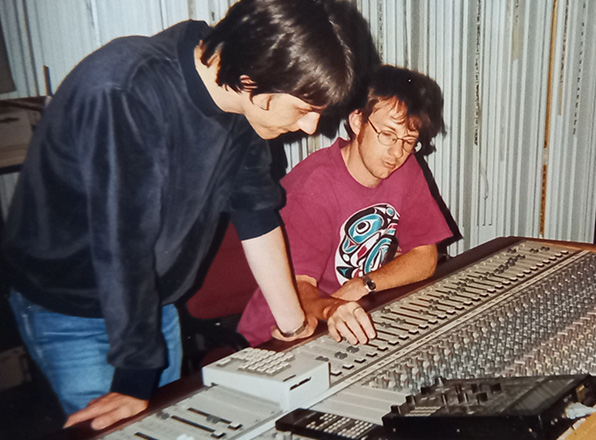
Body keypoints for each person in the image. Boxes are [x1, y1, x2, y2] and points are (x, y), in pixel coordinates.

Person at [0, 0, 375, 431]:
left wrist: (293, 327)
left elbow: (256, 213)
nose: (311, 128)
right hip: (72, 306)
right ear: (253, 82)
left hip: (150, 302)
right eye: (305, 109)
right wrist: (135, 376)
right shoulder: (124, 92)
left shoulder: (237, 94)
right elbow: (123, 245)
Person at [237, 65, 453, 347]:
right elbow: (297, 288)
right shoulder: (314, 186)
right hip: (286, 332)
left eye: (408, 141)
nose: (396, 153)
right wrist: (332, 308)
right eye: (387, 135)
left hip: (348, 315)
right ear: (356, 121)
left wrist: (365, 284)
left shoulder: (404, 166)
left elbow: (425, 256)